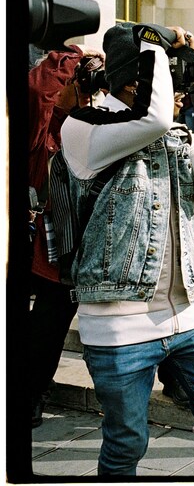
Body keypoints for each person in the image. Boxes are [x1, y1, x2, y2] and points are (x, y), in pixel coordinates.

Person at [59, 22, 194, 475]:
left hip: (187, 315)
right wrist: (153, 39)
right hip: (118, 324)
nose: (181, 89)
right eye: (166, 76)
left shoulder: (174, 135)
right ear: (133, 81)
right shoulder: (85, 129)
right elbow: (153, 118)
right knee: (127, 444)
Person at [27, 46, 100, 427]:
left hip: (67, 245)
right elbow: (38, 92)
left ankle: (34, 390)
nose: (87, 91)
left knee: (51, 324)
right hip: (32, 239)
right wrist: (70, 61)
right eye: (78, 85)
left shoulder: (90, 126)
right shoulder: (41, 124)